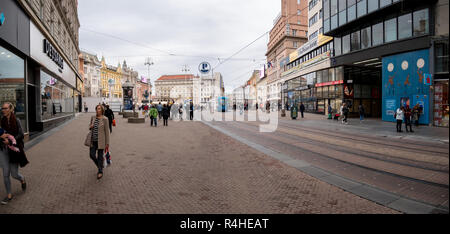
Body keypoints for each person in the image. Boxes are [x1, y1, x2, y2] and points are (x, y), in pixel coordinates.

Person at [0, 102, 28, 205]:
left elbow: (21, 134)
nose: (3, 110)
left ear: (11, 109)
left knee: (14, 174)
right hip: (3, 149)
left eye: (5, 108)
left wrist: (10, 141)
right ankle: (9, 195)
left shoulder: (16, 120)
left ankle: (22, 179)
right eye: (2, 108)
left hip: (13, 149)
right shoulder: (1, 120)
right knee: (5, 173)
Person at [88, 105, 110, 180]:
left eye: (99, 109)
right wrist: (90, 126)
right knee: (91, 155)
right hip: (93, 140)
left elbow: (107, 132)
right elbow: (89, 126)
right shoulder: (93, 117)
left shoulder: (105, 119)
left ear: (102, 110)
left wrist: (107, 143)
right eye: (97, 108)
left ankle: (100, 171)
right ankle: (99, 165)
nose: (98, 110)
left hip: (101, 141)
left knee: (100, 156)